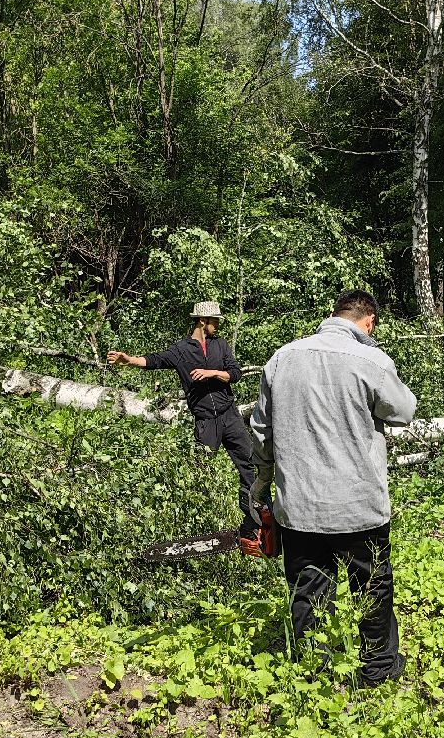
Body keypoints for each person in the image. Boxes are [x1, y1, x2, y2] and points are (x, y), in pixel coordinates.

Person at [247, 289, 418, 685]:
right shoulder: (369, 359)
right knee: (372, 587)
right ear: (369, 321)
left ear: (333, 314)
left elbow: (261, 432)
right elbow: (404, 410)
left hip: (300, 505)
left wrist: (263, 478)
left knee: (308, 589)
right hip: (358, 505)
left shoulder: (281, 358)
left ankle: (314, 674)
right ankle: (377, 671)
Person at [107, 301, 264, 553]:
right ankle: (197, 529)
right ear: (203, 321)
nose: (218, 325)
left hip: (229, 416)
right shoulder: (181, 350)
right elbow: (154, 360)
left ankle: (253, 522)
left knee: (248, 465)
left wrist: (212, 373)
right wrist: (128, 360)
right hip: (205, 421)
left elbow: (234, 373)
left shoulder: (220, 345)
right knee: (200, 473)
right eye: (215, 321)